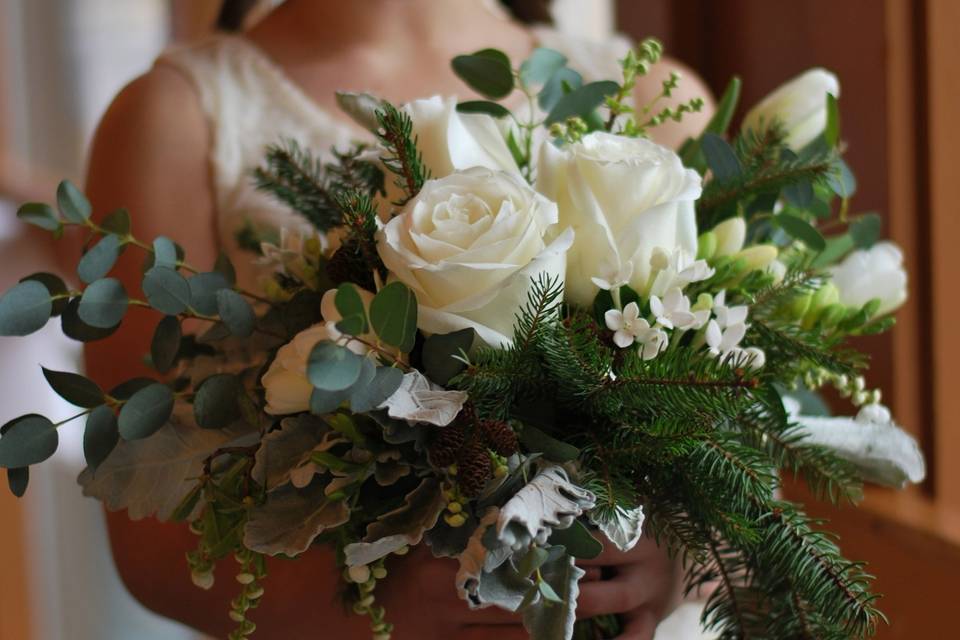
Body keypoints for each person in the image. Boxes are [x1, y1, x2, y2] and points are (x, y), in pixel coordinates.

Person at [82, 1, 715, 638]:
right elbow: (151, 542)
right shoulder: (173, 120)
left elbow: (765, 444)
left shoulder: (650, 99)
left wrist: (683, 560)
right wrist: (375, 603)